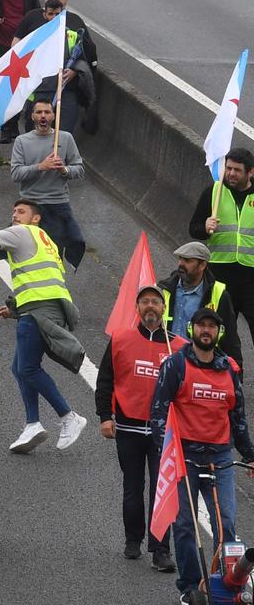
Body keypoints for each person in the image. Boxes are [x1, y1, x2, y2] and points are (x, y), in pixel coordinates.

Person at [0, 199, 90, 454]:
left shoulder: (21, 232)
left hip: (38, 311)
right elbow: (39, 280)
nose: (15, 215)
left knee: (28, 369)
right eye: (13, 212)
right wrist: (15, 309)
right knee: (20, 368)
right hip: (45, 307)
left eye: (21, 212)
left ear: (35, 218)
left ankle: (68, 417)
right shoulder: (47, 242)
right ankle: (32, 424)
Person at [152, 306, 254, 605]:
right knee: (185, 523)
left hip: (220, 456)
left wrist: (249, 455)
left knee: (227, 523)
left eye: (211, 326)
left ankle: (226, 583)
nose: (206, 331)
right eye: (201, 326)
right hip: (185, 453)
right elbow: (159, 411)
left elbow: (239, 418)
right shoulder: (176, 365)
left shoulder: (229, 369)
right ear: (192, 330)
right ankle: (189, 586)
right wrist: (165, 451)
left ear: (218, 332)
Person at [94, 284, 180, 571]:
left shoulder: (178, 348)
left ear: (164, 309)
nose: (150, 307)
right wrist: (105, 417)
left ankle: (160, 551)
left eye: (156, 302)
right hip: (128, 429)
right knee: (132, 488)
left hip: (162, 434)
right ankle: (133, 539)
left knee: (161, 490)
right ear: (137, 309)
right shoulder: (120, 339)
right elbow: (105, 380)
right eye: (145, 302)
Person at [190, 148, 254, 350]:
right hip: (220, 277)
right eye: (228, 168)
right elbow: (194, 228)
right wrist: (206, 228)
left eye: (237, 170)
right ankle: (223, 377)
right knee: (220, 333)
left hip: (251, 277)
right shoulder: (214, 192)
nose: (231, 174)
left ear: (250, 172)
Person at [10, 99, 85, 267]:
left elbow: (79, 169)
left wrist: (64, 170)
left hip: (57, 204)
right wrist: (40, 167)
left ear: (53, 116)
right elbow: (15, 174)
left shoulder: (65, 138)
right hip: (30, 204)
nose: (43, 116)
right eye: (39, 112)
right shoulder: (22, 141)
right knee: (25, 253)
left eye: (47, 112)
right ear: (32, 116)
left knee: (54, 254)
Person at [160, 242, 244, 365]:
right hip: (165, 361)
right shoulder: (163, 289)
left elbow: (230, 339)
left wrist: (237, 374)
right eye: (180, 259)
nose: (181, 264)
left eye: (187, 260)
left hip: (200, 365)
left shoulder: (219, 294)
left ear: (202, 265)